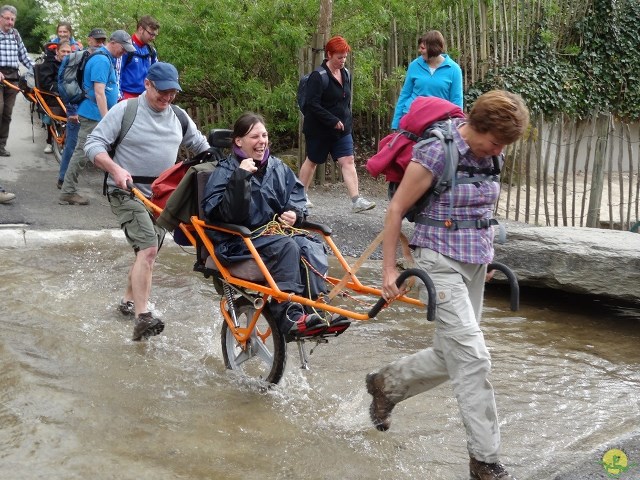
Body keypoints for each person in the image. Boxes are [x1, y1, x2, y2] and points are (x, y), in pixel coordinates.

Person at [365, 90, 529, 480]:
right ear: (477, 126)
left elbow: (483, 208)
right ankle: (485, 461)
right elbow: (396, 209)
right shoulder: (438, 151)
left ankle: (385, 384)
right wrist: (389, 270)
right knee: (474, 358)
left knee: (451, 353)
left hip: (474, 263)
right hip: (437, 259)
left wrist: (485, 256)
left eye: (504, 145)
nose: (499, 150)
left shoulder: (494, 154)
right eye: (496, 141)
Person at [85, 62, 210, 341]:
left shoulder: (178, 116)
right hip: (126, 190)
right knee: (149, 249)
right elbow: (92, 144)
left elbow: (203, 147)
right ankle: (143, 317)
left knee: (145, 253)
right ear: (147, 85)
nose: (167, 98)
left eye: (172, 93)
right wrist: (115, 169)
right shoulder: (125, 110)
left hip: (163, 196)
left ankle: (128, 302)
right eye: (162, 92)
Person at [201, 112, 351, 337]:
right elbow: (224, 214)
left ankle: (317, 309)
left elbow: (297, 196)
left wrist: (294, 214)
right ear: (238, 141)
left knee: (310, 245)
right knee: (287, 246)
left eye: (264, 135)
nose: (261, 141)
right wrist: (241, 178)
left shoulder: (278, 168)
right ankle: (288, 315)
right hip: (237, 242)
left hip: (273, 236)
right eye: (254, 137)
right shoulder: (225, 171)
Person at [298, 36, 375, 214]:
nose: (342, 60)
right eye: (339, 57)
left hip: (342, 129)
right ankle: (300, 196)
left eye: (345, 57)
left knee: (348, 161)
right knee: (313, 161)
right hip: (319, 129)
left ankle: (356, 200)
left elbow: (344, 101)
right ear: (329, 55)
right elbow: (312, 105)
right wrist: (332, 120)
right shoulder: (319, 76)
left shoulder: (346, 73)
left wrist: (345, 122)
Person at [58, 30, 134, 205]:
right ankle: (67, 192)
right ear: (113, 42)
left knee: (95, 151)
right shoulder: (101, 60)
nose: (124, 52)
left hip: (96, 114)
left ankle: (117, 186)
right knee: (81, 153)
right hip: (93, 115)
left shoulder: (106, 58)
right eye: (123, 48)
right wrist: (107, 120)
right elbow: (99, 93)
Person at [56, 28, 107, 187]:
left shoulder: (97, 58)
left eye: (102, 40)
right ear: (89, 39)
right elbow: (70, 85)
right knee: (72, 147)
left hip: (88, 110)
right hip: (78, 110)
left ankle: (66, 182)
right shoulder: (79, 57)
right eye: (97, 40)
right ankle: (63, 181)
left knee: (78, 148)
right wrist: (72, 111)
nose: (100, 43)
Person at [391, 30, 463, 130]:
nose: (419, 50)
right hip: (411, 118)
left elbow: (456, 101)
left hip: (439, 123)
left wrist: (456, 128)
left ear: (433, 48)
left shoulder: (454, 69)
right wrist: (396, 124)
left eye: (423, 48)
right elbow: (405, 94)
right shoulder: (414, 65)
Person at [0, 5, 35, 157]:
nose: (10, 22)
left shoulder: (15, 34)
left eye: (12, 19)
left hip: (13, 78)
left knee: (7, 113)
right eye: (7, 18)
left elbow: (24, 56)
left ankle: (1, 145)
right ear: (0, 18)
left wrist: (37, 70)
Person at [38, 40, 71, 154]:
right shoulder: (49, 64)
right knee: (55, 112)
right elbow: (45, 83)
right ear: (57, 51)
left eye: (68, 51)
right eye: (63, 51)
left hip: (67, 94)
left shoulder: (71, 65)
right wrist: (62, 89)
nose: (66, 54)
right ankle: (50, 141)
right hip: (52, 94)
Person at [117, 15, 159, 100]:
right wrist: (119, 97)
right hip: (127, 96)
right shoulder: (126, 48)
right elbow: (117, 72)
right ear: (140, 29)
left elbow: (156, 73)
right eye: (151, 34)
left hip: (145, 96)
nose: (153, 38)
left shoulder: (151, 51)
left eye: (155, 35)